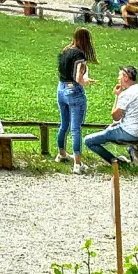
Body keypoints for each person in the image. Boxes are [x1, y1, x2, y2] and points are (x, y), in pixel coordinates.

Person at [84, 65, 138, 166]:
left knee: (88, 140)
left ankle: (115, 162)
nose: (118, 78)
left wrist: (117, 95)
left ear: (126, 77)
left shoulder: (127, 93)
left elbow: (115, 116)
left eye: (119, 76)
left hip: (131, 132)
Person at [56, 28, 97, 174]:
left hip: (61, 88)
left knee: (64, 125)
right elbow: (79, 77)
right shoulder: (80, 54)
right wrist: (85, 82)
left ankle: (61, 153)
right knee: (75, 128)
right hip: (74, 91)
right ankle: (77, 163)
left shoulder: (65, 50)